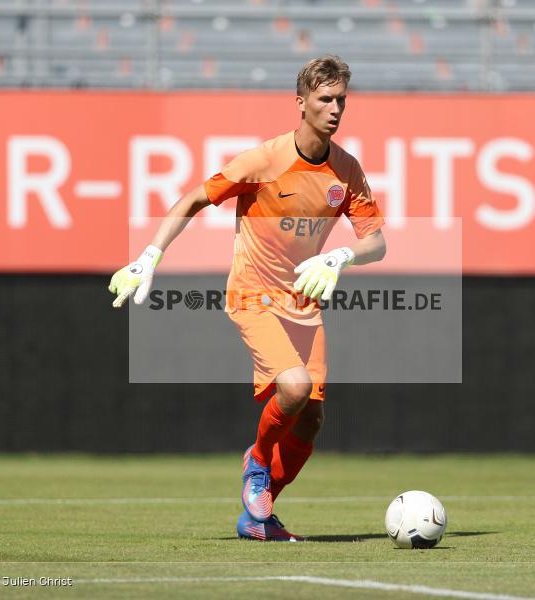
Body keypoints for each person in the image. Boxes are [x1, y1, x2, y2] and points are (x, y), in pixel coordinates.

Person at [109, 55, 386, 541]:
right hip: (252, 293)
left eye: (341, 100)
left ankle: (259, 516)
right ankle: (256, 461)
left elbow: (376, 242)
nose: (335, 109)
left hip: (303, 302)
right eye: (325, 99)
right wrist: (148, 256)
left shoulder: (346, 170)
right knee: (294, 389)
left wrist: (341, 255)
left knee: (311, 418)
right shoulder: (263, 161)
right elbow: (194, 199)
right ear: (300, 103)